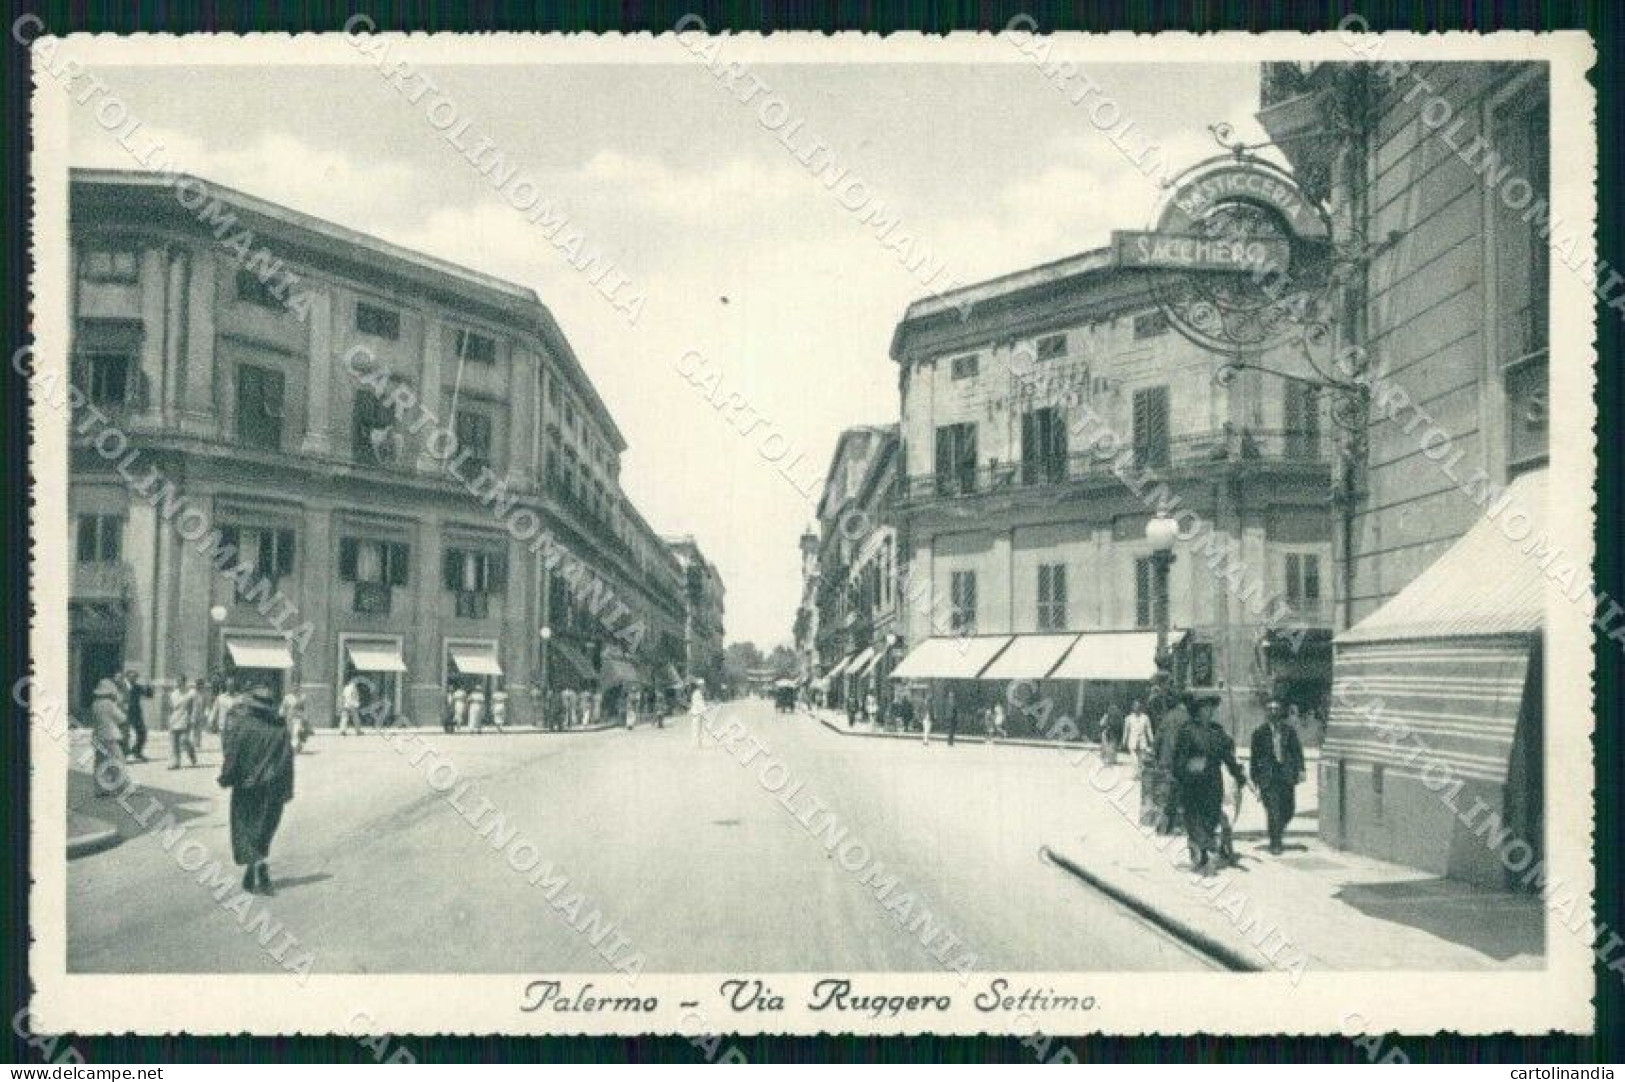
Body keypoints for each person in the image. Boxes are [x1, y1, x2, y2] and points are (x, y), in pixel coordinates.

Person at [218, 683, 295, 896]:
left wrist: (226, 776)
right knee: (265, 828)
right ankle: (260, 866)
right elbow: (288, 760)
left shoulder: (243, 725)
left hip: (246, 786)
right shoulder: (280, 729)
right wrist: (288, 789)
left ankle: (256, 865)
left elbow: (233, 754)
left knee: (245, 828)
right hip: (273, 787)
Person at [1171, 694, 1246, 872]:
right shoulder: (1187, 731)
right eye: (1206, 707)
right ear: (1197, 710)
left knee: (1211, 819)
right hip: (1193, 784)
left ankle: (1203, 851)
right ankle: (1202, 854)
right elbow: (1178, 760)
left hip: (1213, 783)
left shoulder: (1217, 731)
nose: (1210, 711)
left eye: (1212, 708)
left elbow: (1227, 756)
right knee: (1195, 819)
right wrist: (1187, 770)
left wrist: (1238, 774)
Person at [1250, 699, 1306, 854]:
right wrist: (1254, 777)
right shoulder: (1259, 733)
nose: (1273, 712)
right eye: (1270, 709)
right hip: (1268, 776)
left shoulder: (1289, 731)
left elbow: (1297, 752)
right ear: (1267, 713)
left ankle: (1277, 831)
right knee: (1273, 810)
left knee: (1289, 809)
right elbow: (1254, 756)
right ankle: (1276, 843)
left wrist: (1301, 769)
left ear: (1281, 712)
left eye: (1276, 709)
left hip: (1286, 775)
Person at [1153, 690, 1193, 834]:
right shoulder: (1189, 718)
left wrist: (1157, 757)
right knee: (1181, 794)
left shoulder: (1168, 717)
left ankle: (1164, 826)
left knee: (1168, 793)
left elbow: (1158, 738)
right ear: (1188, 703)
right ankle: (1176, 826)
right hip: (1182, 763)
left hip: (1165, 761)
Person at [89, 678, 127, 797]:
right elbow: (122, 719)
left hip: (97, 736)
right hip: (110, 736)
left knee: (99, 763)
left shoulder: (95, 704)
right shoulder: (110, 704)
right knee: (117, 762)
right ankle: (119, 788)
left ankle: (99, 789)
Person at [166, 676, 198, 769]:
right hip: (174, 719)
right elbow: (170, 708)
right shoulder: (173, 694)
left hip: (185, 719)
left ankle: (191, 753)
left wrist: (193, 719)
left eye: (181, 682)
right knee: (174, 742)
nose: (179, 683)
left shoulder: (191, 693)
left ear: (185, 682)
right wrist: (169, 719)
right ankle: (176, 762)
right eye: (178, 682)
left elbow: (195, 708)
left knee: (184, 740)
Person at [121, 669, 152, 761]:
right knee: (124, 735)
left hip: (136, 714)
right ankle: (123, 754)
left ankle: (137, 751)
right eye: (133, 677)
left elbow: (149, 695)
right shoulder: (121, 687)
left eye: (136, 677)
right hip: (124, 714)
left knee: (142, 733)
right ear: (127, 677)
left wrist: (148, 685)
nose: (135, 679)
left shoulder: (137, 687)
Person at [1122, 699, 1153, 777]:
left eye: (1138, 706)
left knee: (1142, 758)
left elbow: (1149, 729)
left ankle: (1141, 773)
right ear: (1132, 707)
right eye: (1135, 706)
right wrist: (1123, 741)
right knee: (1134, 759)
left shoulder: (1145, 718)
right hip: (1132, 741)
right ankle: (1136, 773)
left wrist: (1152, 740)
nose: (1137, 708)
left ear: (1141, 707)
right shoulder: (1128, 718)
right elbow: (1126, 731)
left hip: (1142, 741)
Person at [281, 682, 311, 754]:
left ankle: (295, 748)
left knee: (297, 732)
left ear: (299, 688)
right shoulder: (287, 697)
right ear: (291, 688)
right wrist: (281, 713)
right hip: (290, 717)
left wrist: (306, 716)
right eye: (294, 687)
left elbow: (305, 708)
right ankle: (295, 747)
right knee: (291, 733)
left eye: (297, 687)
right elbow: (283, 707)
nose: (295, 689)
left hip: (299, 717)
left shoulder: (302, 697)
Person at [188, 678, 210, 755]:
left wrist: (206, 714)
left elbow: (206, 704)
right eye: (198, 684)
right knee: (191, 730)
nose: (200, 686)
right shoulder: (191, 693)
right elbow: (188, 704)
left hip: (200, 715)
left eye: (201, 685)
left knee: (198, 731)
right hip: (192, 714)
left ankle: (197, 745)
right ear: (196, 685)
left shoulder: (203, 694)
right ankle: (190, 746)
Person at [1101, 701, 1125, 767]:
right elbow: (1102, 723)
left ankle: (1110, 759)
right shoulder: (1108, 715)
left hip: (1113, 732)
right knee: (1109, 746)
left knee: (1111, 746)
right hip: (1109, 732)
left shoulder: (1118, 717)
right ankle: (1110, 759)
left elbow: (1101, 724)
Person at [689, 680, 708, 748]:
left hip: (700, 714)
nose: (703, 686)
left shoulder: (700, 693)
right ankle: (694, 745)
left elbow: (702, 704)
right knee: (695, 730)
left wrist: (705, 710)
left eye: (703, 685)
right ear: (699, 686)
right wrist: (705, 710)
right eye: (702, 685)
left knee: (700, 730)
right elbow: (699, 705)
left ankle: (700, 744)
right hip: (696, 714)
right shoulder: (696, 694)